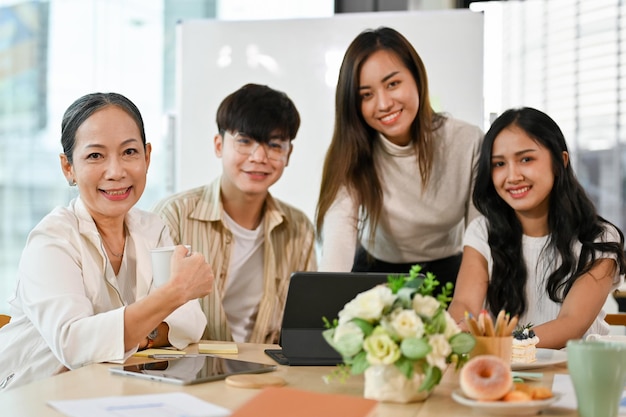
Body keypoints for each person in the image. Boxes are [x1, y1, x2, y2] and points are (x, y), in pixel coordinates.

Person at [0, 92, 213, 391]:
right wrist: (173, 294)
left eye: (129, 152)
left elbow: (190, 322)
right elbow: (75, 344)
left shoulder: (152, 228)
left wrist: (132, 333)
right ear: (68, 167)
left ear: (147, 156)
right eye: (95, 156)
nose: (116, 172)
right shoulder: (51, 240)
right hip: (33, 395)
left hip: (109, 394)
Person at [315, 27, 484, 287]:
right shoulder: (353, 149)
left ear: (416, 78)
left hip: (449, 272)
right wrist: (326, 299)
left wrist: (467, 301)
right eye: (366, 95)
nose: (383, 104)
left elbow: (479, 235)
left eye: (392, 84)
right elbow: (338, 240)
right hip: (375, 272)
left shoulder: (467, 141)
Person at [448, 107, 626, 348]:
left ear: (560, 161)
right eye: (499, 164)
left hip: (576, 373)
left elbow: (570, 325)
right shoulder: (482, 231)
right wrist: (459, 327)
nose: (512, 176)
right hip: (504, 371)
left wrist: (499, 344)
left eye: (526, 159)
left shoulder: (599, 239)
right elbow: (465, 305)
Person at [153, 83, 317, 344]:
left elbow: (305, 326)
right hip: (189, 377)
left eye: (274, 145)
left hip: (268, 378)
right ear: (219, 145)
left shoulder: (299, 229)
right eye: (244, 141)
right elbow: (151, 316)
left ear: (288, 154)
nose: (259, 156)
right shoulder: (175, 215)